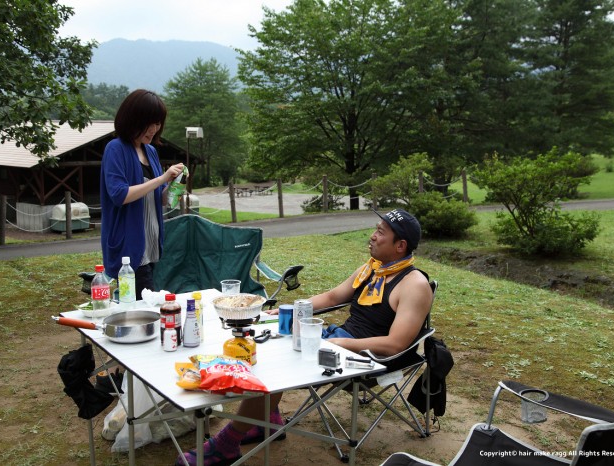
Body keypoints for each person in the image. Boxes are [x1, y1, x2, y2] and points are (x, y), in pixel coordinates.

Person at [177, 208, 433, 466]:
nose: (373, 236)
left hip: (367, 358)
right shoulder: (372, 269)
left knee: (276, 367)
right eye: (376, 230)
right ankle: (266, 421)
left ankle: (227, 444)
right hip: (338, 340)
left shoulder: (414, 285)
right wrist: (290, 309)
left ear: (400, 245)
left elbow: (395, 344)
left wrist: (341, 343)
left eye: (380, 232)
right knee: (263, 343)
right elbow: (332, 297)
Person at [100, 89, 185, 300]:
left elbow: (159, 198)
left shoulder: (151, 151)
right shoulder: (115, 149)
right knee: (144, 308)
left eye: (158, 123)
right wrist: (162, 178)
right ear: (134, 119)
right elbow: (120, 195)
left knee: (141, 306)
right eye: (150, 123)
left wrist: (175, 185)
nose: (154, 129)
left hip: (151, 245)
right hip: (130, 250)